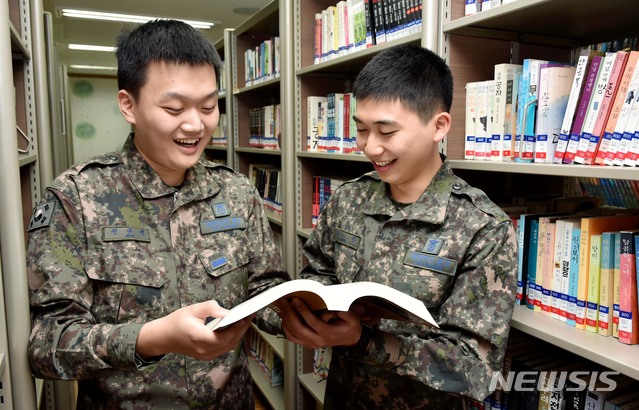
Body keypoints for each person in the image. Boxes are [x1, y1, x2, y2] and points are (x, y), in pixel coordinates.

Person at [27, 19, 289, 409]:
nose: (195, 124)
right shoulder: (75, 198)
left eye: (208, 106)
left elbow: (264, 290)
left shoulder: (236, 191)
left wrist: (299, 316)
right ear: (128, 105)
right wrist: (150, 338)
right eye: (174, 108)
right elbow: (46, 344)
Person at [277, 43, 518, 409]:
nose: (371, 148)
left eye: (386, 132)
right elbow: (320, 272)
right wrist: (315, 309)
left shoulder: (483, 227)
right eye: (361, 130)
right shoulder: (348, 200)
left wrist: (364, 341)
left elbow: (476, 367)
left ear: (438, 126)